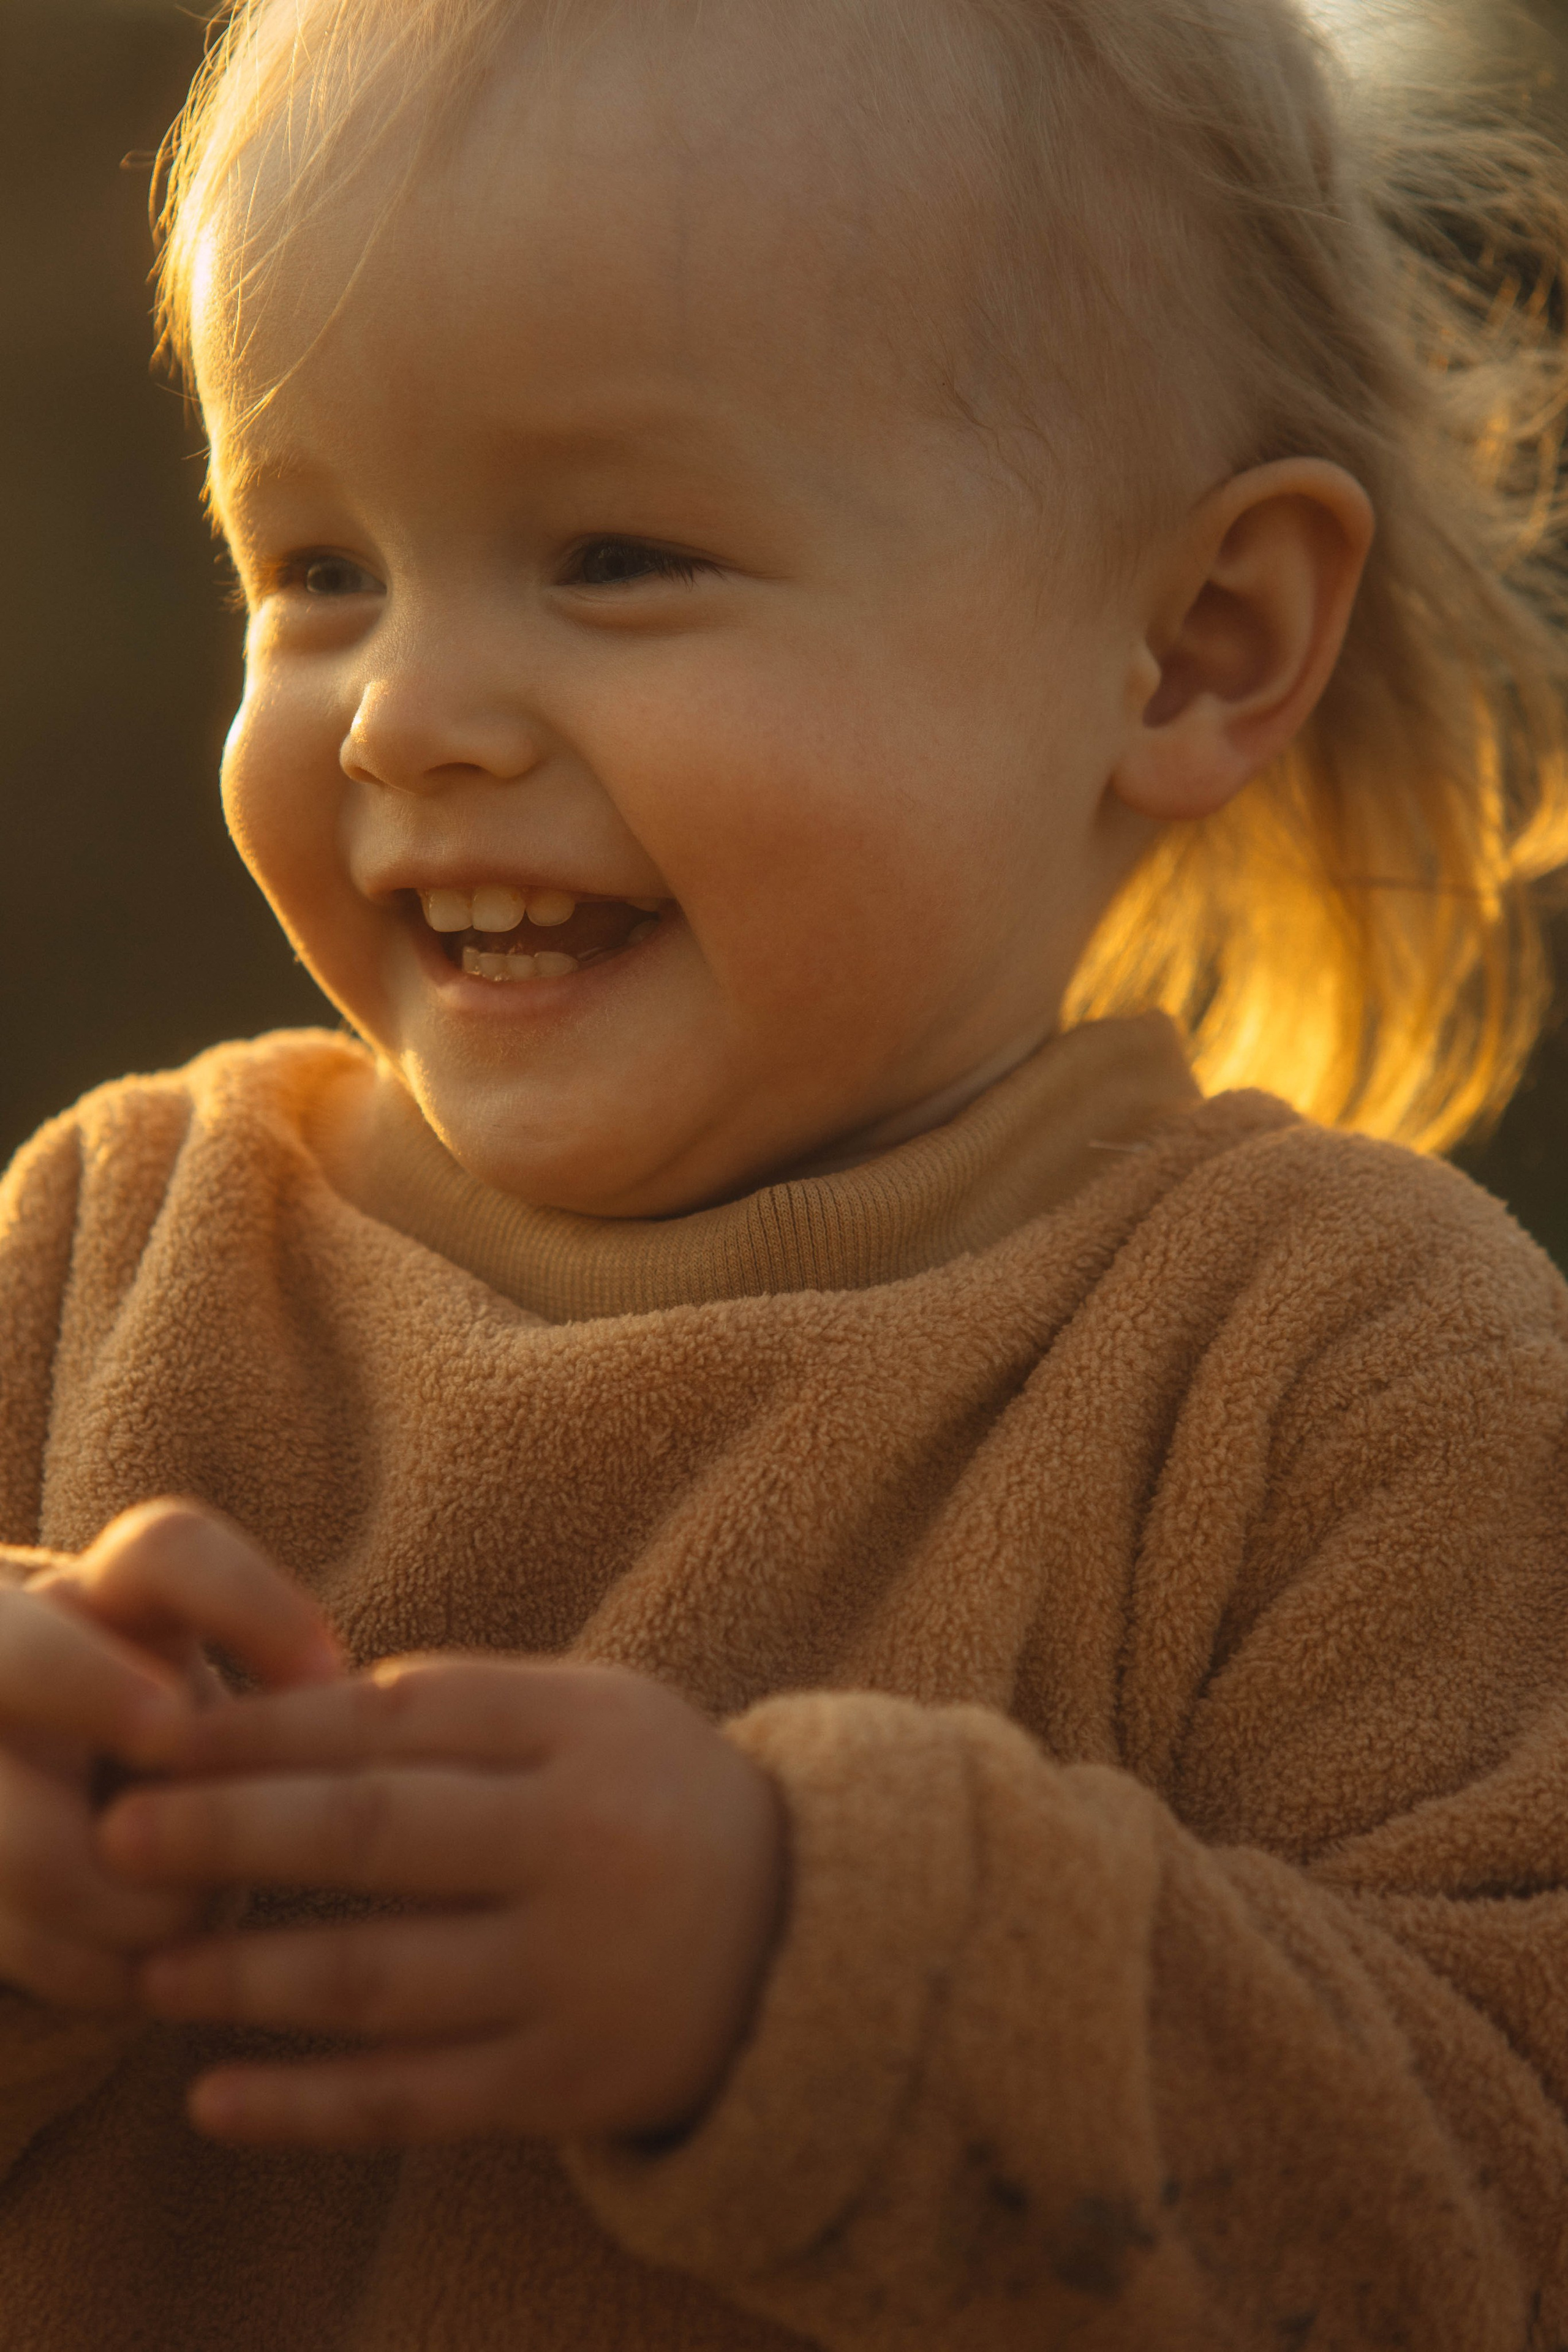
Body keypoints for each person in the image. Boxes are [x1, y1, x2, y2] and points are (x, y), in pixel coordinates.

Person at [1, 0, 1567, 2341]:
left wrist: (804, 1960)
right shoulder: (98, 1257)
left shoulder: (1347, 1373)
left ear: (1192, 645)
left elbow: (1490, 2188)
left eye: (618, 554)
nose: (409, 712)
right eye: (316, 565)